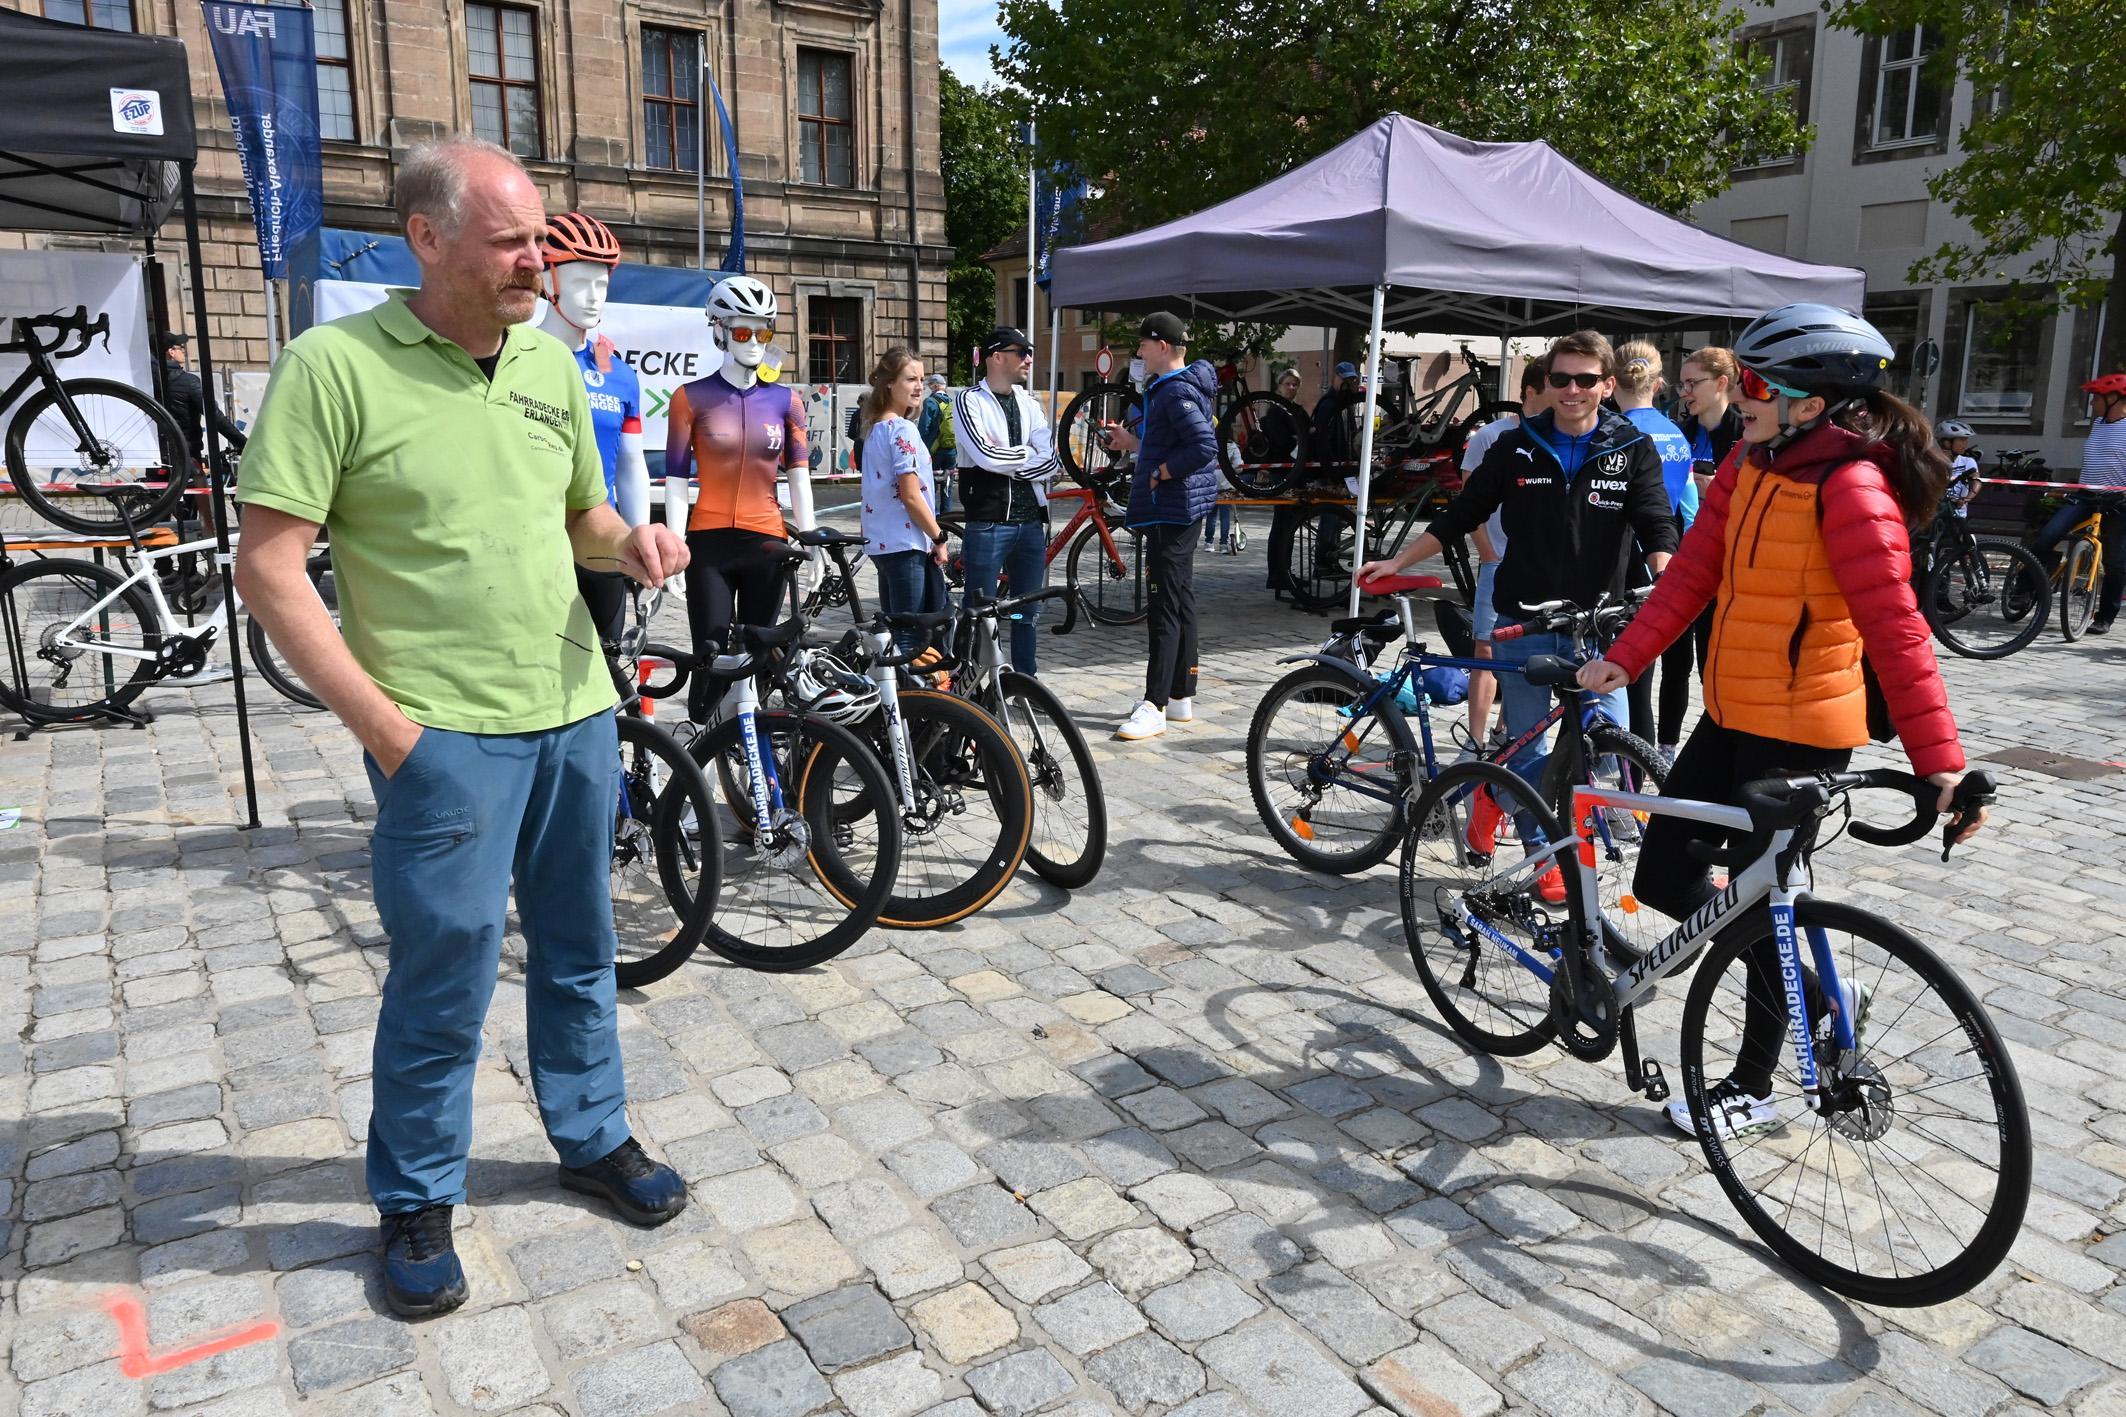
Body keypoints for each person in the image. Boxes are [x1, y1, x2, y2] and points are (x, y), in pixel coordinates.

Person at [233, 136, 692, 1318]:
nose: (536, 261)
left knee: (581, 950)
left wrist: (628, 540)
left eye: (540, 239)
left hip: (574, 710)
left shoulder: (546, 363)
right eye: (510, 243)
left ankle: (591, 1132)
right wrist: (394, 736)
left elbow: (579, 514)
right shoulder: (333, 367)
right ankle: (416, 1195)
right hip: (443, 737)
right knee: (445, 975)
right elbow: (270, 570)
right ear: (426, 239)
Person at [1578, 302, 1985, 1140]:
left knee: (1763, 908)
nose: (1741, 396)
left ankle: (1754, 1086)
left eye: (1758, 386)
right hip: (1731, 714)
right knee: (1662, 877)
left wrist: (1940, 762)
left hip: (1802, 733)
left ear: (1813, 404)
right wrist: (1629, 656)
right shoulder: (1751, 461)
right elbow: (1694, 570)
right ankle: (1821, 988)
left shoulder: (1853, 489)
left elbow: (1897, 630)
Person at [1356, 330, 1676, 902]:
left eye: (1585, 380)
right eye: (1561, 379)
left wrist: (1665, 581)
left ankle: (1493, 796)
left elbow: (1656, 523)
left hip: (1599, 625)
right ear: (1546, 383)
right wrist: (1398, 561)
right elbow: (1462, 514)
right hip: (1524, 620)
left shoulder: (1631, 446)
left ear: (1607, 385)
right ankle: (1542, 855)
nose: (1572, 390)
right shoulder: (1516, 444)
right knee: (1529, 748)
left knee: (1607, 741)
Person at [666, 275, 813, 718]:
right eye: (743, 332)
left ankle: (749, 743)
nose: (754, 343)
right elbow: (676, 480)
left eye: (763, 333)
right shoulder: (690, 398)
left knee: (759, 660)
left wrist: (810, 541)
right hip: (709, 544)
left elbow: (799, 476)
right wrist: (673, 544)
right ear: (719, 331)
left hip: (767, 542)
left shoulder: (787, 401)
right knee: (709, 656)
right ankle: (703, 743)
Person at [1102, 311, 1219, 741]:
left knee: (1163, 606)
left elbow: (1203, 445)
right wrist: (1133, 443)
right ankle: (1180, 694)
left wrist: (1163, 472)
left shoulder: (1174, 390)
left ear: (1163, 346)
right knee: (1179, 598)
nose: (1139, 351)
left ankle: (1155, 705)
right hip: (1177, 508)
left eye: (1144, 344)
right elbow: (1170, 440)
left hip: (1172, 509)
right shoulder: (1174, 388)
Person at [536, 211, 649, 645]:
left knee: (607, 666)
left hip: (601, 540)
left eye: (601, 285)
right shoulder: (514, 358)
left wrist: (640, 539)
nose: (594, 297)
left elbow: (631, 464)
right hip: (534, 542)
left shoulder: (620, 374)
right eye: (581, 283)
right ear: (547, 281)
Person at [1455, 356, 1549, 753]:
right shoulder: (1491, 436)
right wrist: (1487, 551)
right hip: (1499, 559)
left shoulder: (1558, 436)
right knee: (1486, 648)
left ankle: (1506, 730)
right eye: (1554, 387)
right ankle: (1475, 740)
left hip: (1538, 566)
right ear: (1530, 391)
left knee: (1528, 650)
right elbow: (1467, 500)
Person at [953, 326, 1058, 672]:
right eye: (1022, 352)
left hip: (1031, 523)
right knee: (980, 612)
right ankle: (970, 682)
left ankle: (1025, 683)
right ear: (997, 356)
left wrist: (1010, 460)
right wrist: (1027, 454)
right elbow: (985, 456)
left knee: (1025, 613)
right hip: (989, 522)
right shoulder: (969, 400)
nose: (1029, 359)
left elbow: (1051, 461)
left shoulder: (1029, 402)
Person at [1612, 341, 1697, 759]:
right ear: (1658, 383)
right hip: (1667, 554)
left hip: (1624, 558)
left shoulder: (1615, 432)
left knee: (1623, 669)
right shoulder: (1676, 432)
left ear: (1612, 383)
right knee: (1646, 668)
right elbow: (1689, 505)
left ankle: (1623, 765)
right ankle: (1647, 760)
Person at [859, 348, 949, 654]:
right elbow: (910, 495)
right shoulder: (902, 429)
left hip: (881, 543)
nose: (919, 386)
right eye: (911, 379)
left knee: (895, 634)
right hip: (906, 543)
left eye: (921, 379)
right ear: (889, 383)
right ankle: (910, 687)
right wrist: (938, 537)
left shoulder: (874, 429)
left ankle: (891, 683)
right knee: (911, 640)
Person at [2030, 375, 2126, 634]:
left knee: (2117, 562)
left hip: (2118, 501)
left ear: (2113, 398)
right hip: (2086, 496)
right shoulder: (2098, 425)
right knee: (2047, 536)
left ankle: (2104, 617)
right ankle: (2025, 588)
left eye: (2096, 398)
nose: (2092, 403)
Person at [157, 329, 246, 464]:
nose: (184, 351)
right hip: (186, 454)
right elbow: (214, 415)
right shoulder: (188, 381)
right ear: (171, 352)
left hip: (155, 455)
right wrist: (242, 442)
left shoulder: (149, 381)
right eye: (181, 348)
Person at [917, 371, 956, 515]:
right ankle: (947, 515)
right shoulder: (951, 402)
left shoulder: (930, 402)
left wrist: (920, 446)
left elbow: (924, 426)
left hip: (934, 449)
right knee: (948, 482)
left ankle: (931, 513)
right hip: (951, 449)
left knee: (930, 482)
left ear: (934, 386)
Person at [1936, 418, 1979, 521]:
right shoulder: (1932, 462)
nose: (1965, 444)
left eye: (1966, 440)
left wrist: (1966, 499)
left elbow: (1976, 482)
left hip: (1958, 516)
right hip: (1935, 515)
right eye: (1962, 440)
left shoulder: (1968, 461)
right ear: (1947, 443)